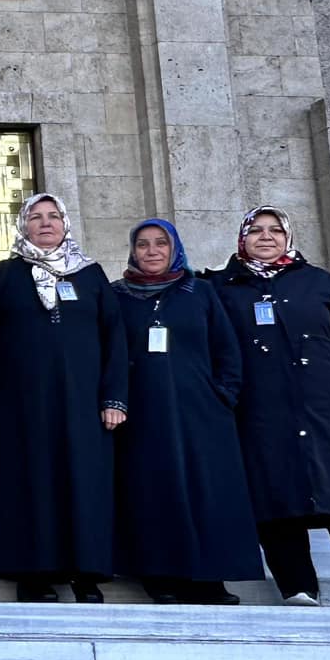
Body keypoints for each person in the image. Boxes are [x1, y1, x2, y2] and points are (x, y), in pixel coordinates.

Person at [209, 207, 330, 610]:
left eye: (275, 230)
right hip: (261, 413)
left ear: (288, 237)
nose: (266, 237)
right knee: (276, 498)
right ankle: (297, 587)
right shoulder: (224, 288)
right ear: (242, 238)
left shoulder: (320, 284)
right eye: (256, 230)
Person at [0, 193, 128, 603]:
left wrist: (114, 398)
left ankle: (85, 571)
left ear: (65, 222)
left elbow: (115, 340)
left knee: (84, 483)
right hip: (20, 404)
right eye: (35, 217)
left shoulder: (90, 276)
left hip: (83, 403)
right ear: (23, 226)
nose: (45, 223)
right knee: (29, 482)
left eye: (53, 216)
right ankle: (32, 572)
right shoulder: (2, 275)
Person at [111, 219, 262, 604]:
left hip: (200, 413)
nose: (152, 251)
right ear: (132, 250)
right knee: (152, 490)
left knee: (205, 491)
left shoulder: (200, 292)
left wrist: (223, 394)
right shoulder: (116, 296)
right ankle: (159, 574)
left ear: (174, 247)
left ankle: (208, 577)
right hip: (141, 414)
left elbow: (227, 349)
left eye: (161, 243)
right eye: (143, 244)